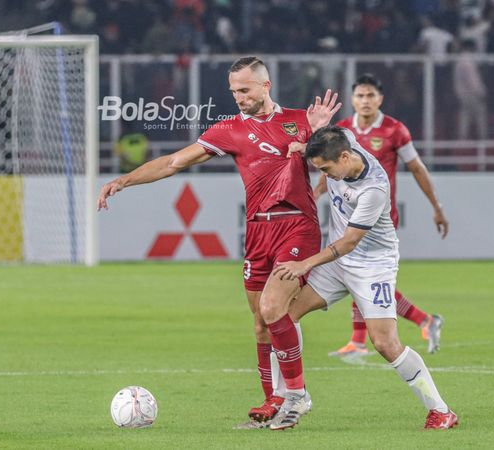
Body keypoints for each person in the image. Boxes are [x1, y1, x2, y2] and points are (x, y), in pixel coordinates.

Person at [97, 56, 341, 428]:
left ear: (265, 86)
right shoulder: (228, 130)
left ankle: (296, 394)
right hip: (258, 231)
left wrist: (319, 133)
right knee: (261, 322)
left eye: (244, 90)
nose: (238, 97)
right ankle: (272, 401)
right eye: (233, 91)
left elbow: (338, 159)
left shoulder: (300, 120)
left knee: (275, 306)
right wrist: (125, 180)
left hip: (296, 226)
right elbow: (174, 162)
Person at [269, 126, 458, 431]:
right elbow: (326, 138)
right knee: (284, 318)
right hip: (337, 263)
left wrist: (305, 264)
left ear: (345, 157)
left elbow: (348, 242)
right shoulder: (345, 142)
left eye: (327, 169)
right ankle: (287, 398)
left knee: (385, 342)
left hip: (372, 266)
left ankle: (440, 410)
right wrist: (302, 145)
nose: (326, 175)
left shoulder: (373, 189)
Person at [312, 74, 448, 356]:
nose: (365, 101)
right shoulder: (344, 131)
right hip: (346, 211)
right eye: (360, 96)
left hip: (376, 216)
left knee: (362, 276)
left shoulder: (395, 130)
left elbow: (417, 168)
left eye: (370, 95)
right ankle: (362, 340)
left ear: (380, 99)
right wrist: (315, 195)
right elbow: (331, 170)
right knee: (355, 273)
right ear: (352, 100)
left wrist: (437, 207)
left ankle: (396, 328)